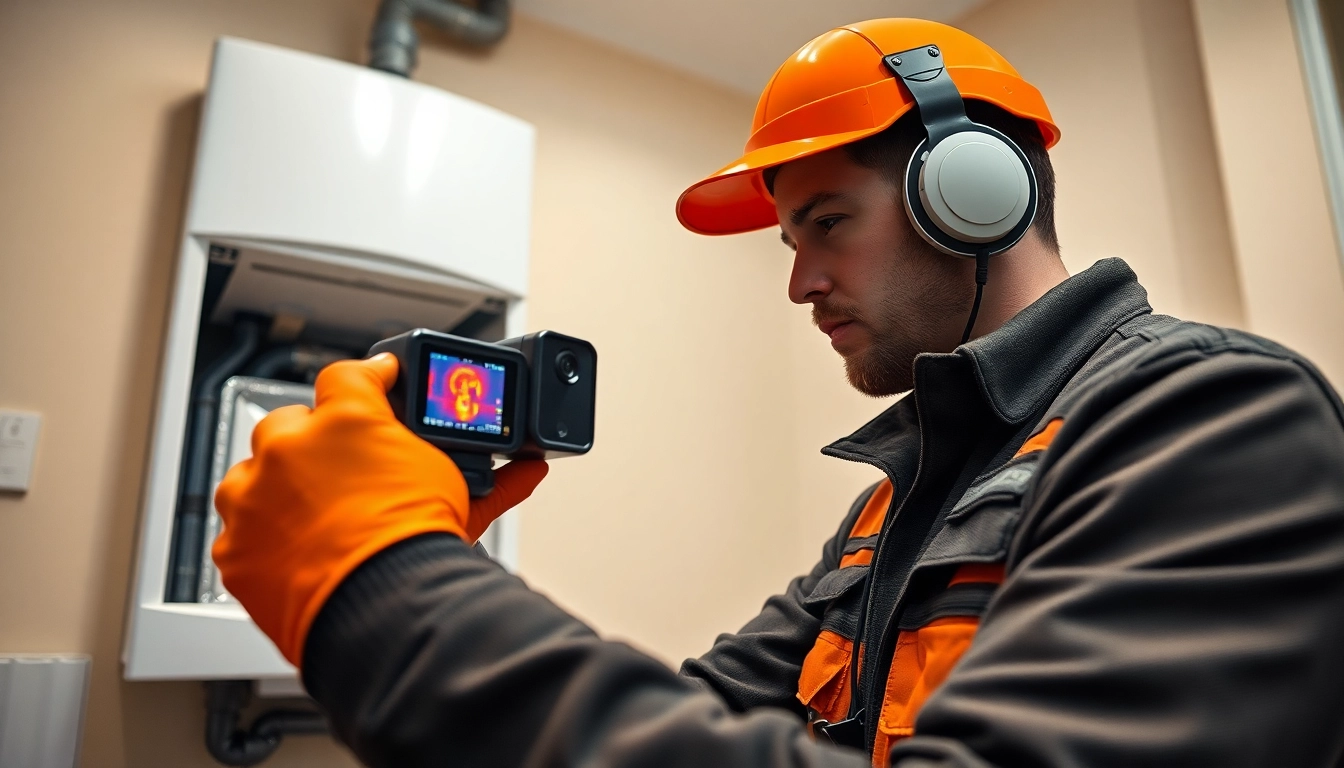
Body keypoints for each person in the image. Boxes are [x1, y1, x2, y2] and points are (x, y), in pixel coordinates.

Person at [212, 18, 1344, 768]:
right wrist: (434, 553)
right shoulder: (900, 502)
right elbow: (703, 714)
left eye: (826, 225)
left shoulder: (1211, 421)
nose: (799, 280)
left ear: (973, 193)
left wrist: (378, 583)